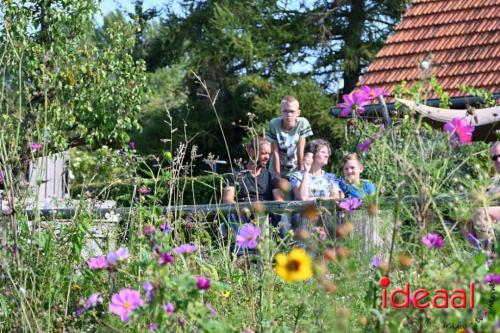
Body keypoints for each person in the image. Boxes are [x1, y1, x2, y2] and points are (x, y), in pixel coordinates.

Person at [222, 137, 287, 249]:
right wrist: (245, 211)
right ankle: (241, 254)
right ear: (251, 151)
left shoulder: (272, 176)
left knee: (282, 215)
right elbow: (227, 199)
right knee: (231, 211)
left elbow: (278, 200)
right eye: (263, 153)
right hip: (242, 214)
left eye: (269, 154)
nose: (267, 157)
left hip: (266, 214)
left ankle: (283, 251)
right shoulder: (235, 173)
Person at [266, 96, 313, 179]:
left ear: (298, 113)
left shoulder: (302, 123)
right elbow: (275, 152)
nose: (288, 114)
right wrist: (278, 176)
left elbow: (300, 151)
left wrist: (300, 174)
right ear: (281, 111)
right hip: (276, 168)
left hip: (294, 168)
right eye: (285, 111)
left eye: (292, 111)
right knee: (280, 189)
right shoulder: (274, 124)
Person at [472, 141, 500, 243]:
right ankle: (472, 254)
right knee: (464, 217)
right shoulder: (493, 180)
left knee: (480, 212)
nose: (498, 160)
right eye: (494, 157)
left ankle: (490, 253)